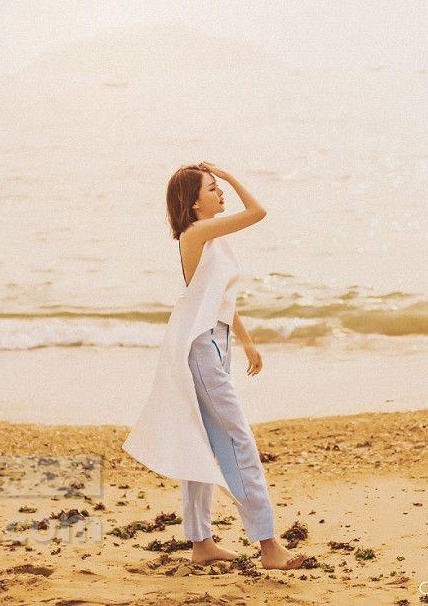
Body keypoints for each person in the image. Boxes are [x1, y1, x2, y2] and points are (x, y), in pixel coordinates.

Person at [123, 161, 307, 570]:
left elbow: (217, 296)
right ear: (193, 204)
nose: (220, 193)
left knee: (199, 439)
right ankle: (269, 545)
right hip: (200, 347)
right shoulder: (196, 233)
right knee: (239, 441)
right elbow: (258, 212)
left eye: (219, 186)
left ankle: (201, 543)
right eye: (212, 188)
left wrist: (246, 341)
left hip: (215, 341)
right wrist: (231, 175)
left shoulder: (213, 238)